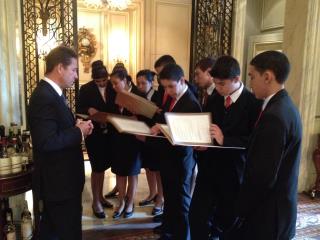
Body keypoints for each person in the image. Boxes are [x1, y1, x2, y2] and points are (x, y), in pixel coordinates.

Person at [189, 55, 261, 240]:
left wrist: (225, 139)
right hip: (208, 170)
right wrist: (204, 143)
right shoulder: (215, 98)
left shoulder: (253, 104)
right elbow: (210, 128)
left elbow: (254, 142)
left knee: (227, 222)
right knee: (196, 216)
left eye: (221, 84)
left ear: (236, 79)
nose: (218, 88)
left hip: (233, 174)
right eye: (216, 83)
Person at [28, 46, 93, 240]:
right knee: (66, 233)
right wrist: (78, 132)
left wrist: (75, 126)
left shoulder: (54, 93)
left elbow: (56, 129)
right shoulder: (44, 96)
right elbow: (46, 142)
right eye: (73, 69)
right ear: (60, 68)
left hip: (65, 182)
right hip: (59, 184)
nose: (76, 75)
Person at [236, 51, 302, 240]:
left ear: (267, 77)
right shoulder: (285, 105)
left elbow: (263, 175)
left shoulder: (275, 115)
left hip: (269, 213)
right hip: (278, 208)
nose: (250, 83)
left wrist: (242, 208)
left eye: (252, 76)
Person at [151, 63, 201, 240]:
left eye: (171, 86)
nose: (168, 91)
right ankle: (169, 231)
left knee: (181, 202)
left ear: (182, 80)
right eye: (165, 87)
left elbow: (191, 133)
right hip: (168, 157)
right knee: (170, 198)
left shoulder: (191, 102)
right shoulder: (173, 98)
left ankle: (183, 235)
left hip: (181, 159)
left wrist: (163, 128)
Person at [77, 60, 115, 219]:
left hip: (111, 132)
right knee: (97, 168)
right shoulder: (85, 89)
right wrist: (88, 109)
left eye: (104, 80)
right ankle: (96, 202)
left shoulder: (113, 87)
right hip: (95, 134)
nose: (101, 84)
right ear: (93, 79)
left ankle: (100, 197)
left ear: (108, 77)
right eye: (98, 81)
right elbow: (79, 108)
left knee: (104, 167)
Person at [109, 69, 143, 219]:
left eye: (116, 83)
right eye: (112, 84)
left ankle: (130, 202)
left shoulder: (137, 94)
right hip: (118, 139)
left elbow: (146, 118)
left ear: (126, 81)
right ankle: (121, 201)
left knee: (132, 171)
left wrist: (135, 116)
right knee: (120, 172)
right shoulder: (113, 94)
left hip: (133, 140)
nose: (114, 87)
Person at [136, 69, 164, 215]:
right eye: (138, 83)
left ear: (151, 82)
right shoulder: (138, 96)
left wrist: (157, 111)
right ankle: (152, 193)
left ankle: (160, 197)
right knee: (147, 167)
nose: (140, 86)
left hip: (155, 137)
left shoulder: (160, 95)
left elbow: (164, 117)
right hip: (143, 135)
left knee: (157, 169)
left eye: (143, 83)